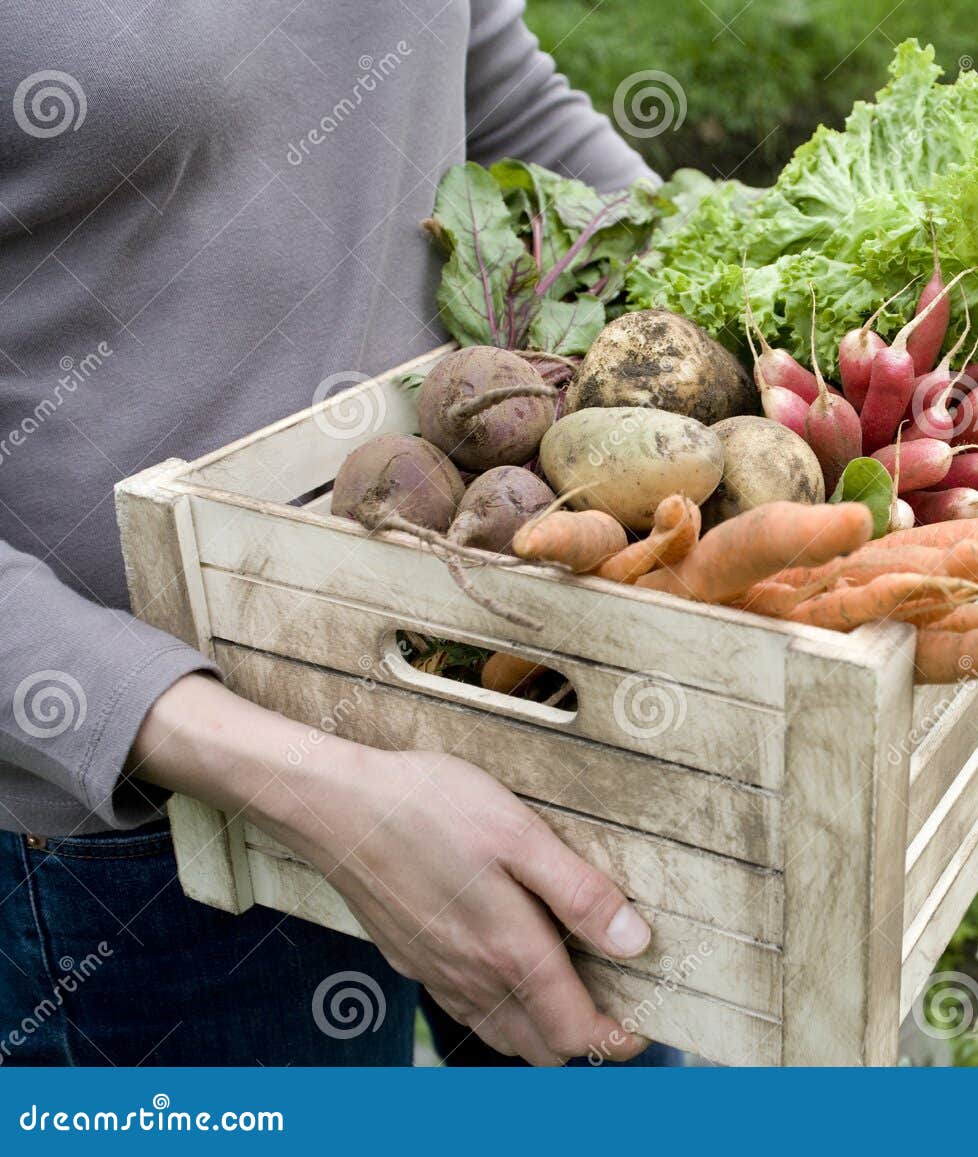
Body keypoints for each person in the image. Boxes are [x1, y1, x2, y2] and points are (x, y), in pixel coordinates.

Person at [0, 1, 672, 1067]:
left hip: (494, 646)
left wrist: (737, 287)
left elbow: (480, 68)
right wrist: (312, 788)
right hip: (149, 827)